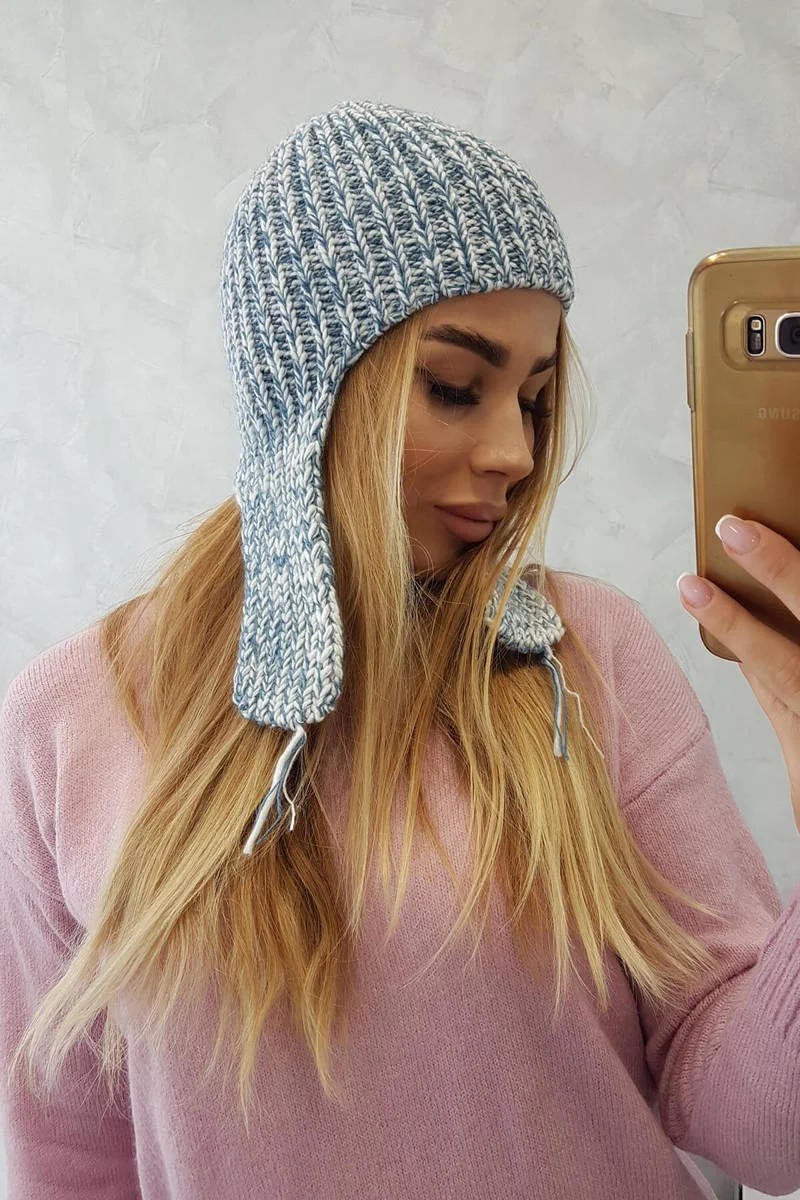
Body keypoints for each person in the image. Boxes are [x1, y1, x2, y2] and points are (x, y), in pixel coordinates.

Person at [1, 98, 798, 1200]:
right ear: (307, 386)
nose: (515, 452)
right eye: (455, 388)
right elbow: (71, 1160)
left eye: (535, 399)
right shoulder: (69, 717)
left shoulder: (591, 660)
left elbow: (768, 1141)